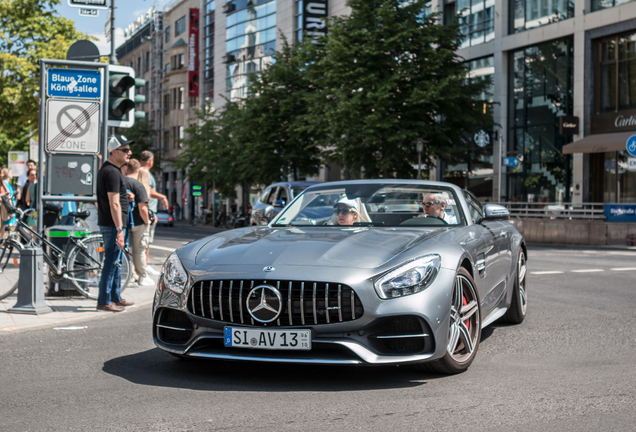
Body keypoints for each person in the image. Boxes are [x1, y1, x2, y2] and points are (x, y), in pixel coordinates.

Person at [95, 135, 136, 312]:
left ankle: (115, 297)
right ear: (114, 152)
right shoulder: (111, 171)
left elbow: (115, 198)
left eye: (129, 149)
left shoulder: (112, 170)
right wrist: (119, 229)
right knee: (111, 262)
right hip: (113, 226)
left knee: (117, 262)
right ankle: (104, 301)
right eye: (125, 150)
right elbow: (113, 203)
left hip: (114, 224)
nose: (130, 153)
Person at [124, 159, 154, 287]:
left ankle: (128, 275)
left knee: (126, 249)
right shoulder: (138, 185)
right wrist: (147, 222)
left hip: (123, 221)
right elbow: (142, 208)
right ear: (139, 170)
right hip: (137, 223)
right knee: (139, 250)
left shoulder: (120, 182)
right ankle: (142, 277)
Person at [139, 151, 168, 276]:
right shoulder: (146, 173)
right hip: (148, 210)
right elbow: (149, 191)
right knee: (146, 241)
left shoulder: (138, 171)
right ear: (150, 161)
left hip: (143, 209)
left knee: (141, 241)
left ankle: (142, 266)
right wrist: (163, 197)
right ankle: (144, 266)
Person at [1, 168, 17, 238]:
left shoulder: (5, 184)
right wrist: (11, 210)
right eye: (10, 173)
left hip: (7, 207)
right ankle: (2, 244)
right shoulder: (4, 184)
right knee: (4, 226)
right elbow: (7, 198)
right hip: (6, 208)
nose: (12, 174)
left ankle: (3, 244)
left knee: (5, 226)